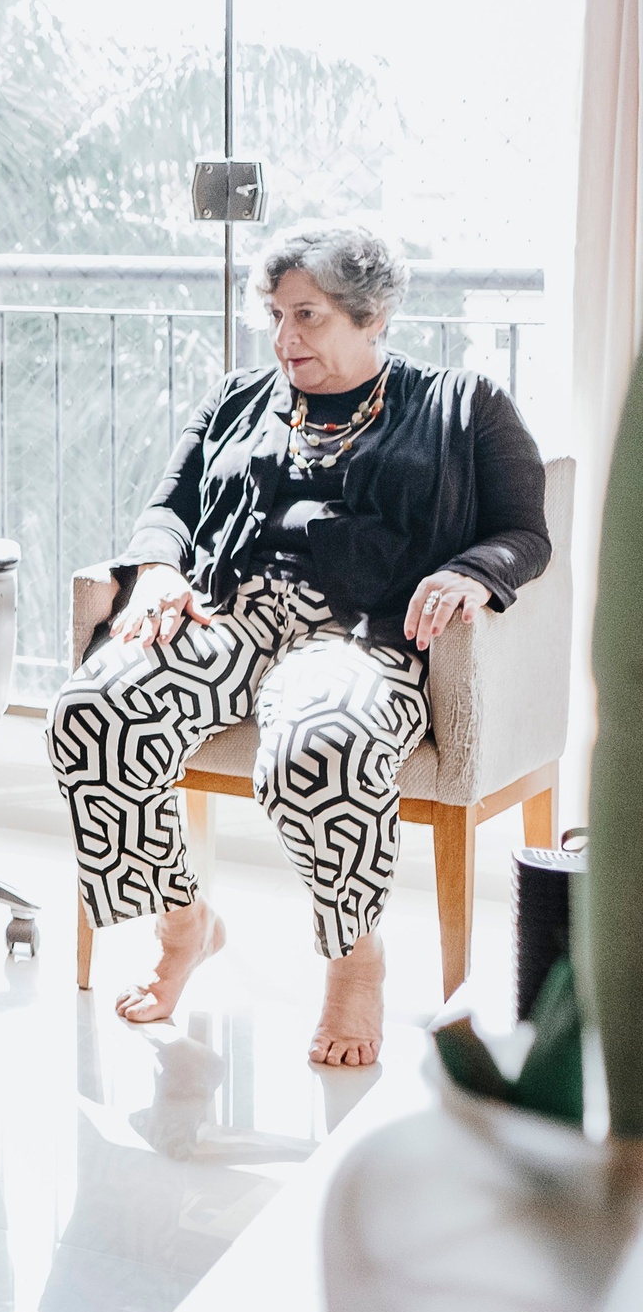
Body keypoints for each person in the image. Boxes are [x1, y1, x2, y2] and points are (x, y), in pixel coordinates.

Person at [47, 219, 550, 1067]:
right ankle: (184, 925)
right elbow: (168, 508)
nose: (284, 338)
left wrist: (472, 571)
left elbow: (524, 531)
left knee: (321, 746)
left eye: (307, 316)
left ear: (372, 313)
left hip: (358, 631)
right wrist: (160, 571)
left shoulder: (462, 407)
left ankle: (355, 961)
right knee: (92, 709)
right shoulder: (238, 399)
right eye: (275, 316)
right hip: (228, 614)